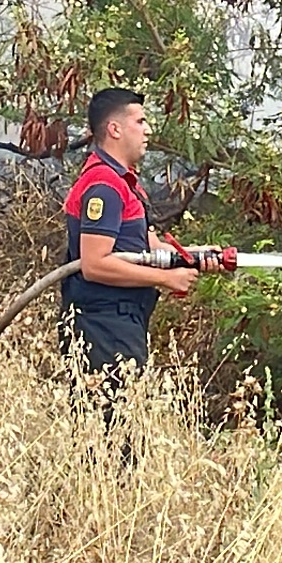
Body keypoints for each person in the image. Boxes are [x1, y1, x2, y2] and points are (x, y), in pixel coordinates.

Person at [60, 87, 212, 433]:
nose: (147, 130)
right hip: (102, 328)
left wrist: (199, 258)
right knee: (112, 443)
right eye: (140, 121)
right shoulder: (103, 185)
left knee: (121, 438)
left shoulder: (125, 184)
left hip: (120, 323)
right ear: (115, 129)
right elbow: (95, 264)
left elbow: (149, 248)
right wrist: (165, 279)